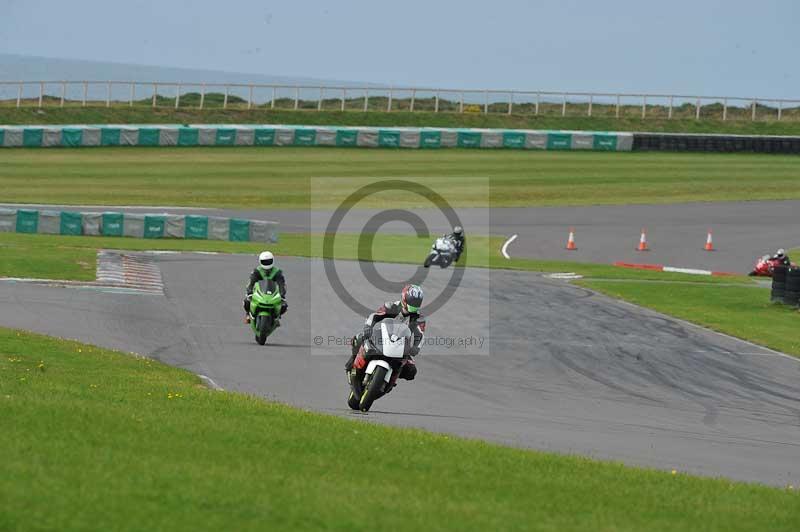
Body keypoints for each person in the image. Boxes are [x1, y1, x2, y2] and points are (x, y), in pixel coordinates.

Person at [345, 284, 426, 382]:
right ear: (404, 298)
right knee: (359, 338)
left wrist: (416, 347)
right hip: (381, 337)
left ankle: (390, 380)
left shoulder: (419, 318)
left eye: (417, 302)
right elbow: (374, 316)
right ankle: (351, 366)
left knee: (411, 371)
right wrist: (368, 327)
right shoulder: (391, 306)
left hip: (402, 345)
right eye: (413, 301)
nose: (415, 304)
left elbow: (420, 335)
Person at [243, 251, 287, 323]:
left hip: (272, 294)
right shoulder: (257, 271)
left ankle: (276, 317)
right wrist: (249, 292)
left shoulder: (277, 272)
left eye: (269, 261)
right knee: (247, 301)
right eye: (265, 262)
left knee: (284, 306)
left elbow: (281, 284)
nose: (267, 263)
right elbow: (251, 283)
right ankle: (248, 314)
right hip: (259, 292)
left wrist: (282, 295)